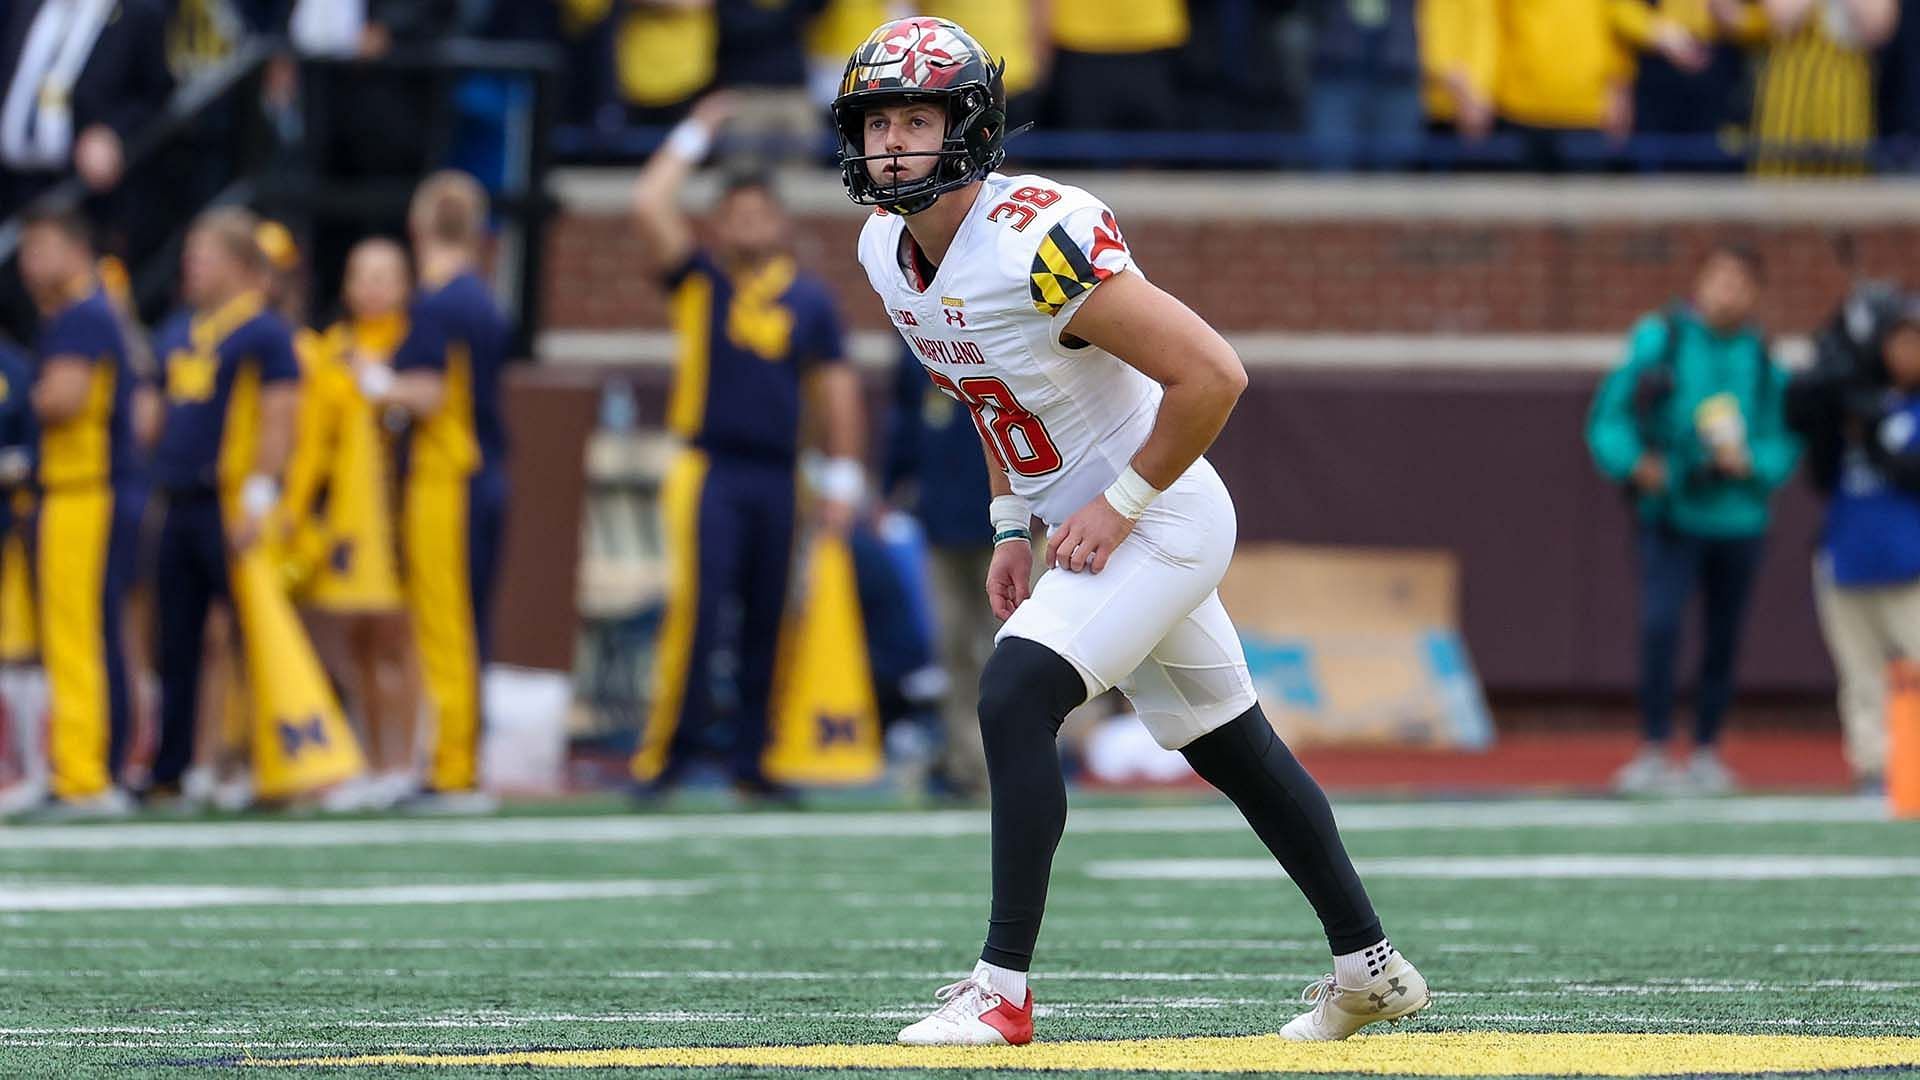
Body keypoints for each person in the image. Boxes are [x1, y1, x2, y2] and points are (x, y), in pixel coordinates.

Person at [831, 16, 1426, 1046]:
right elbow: (988, 391)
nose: (892, 144)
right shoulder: (886, 250)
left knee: (1016, 692)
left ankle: (1002, 991)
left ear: (966, 126)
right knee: (1234, 747)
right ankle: (1369, 966)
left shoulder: (1036, 238)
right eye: (879, 121)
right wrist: (1010, 522)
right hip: (1076, 520)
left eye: (917, 120)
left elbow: (1212, 374)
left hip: (1163, 509)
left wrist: (1119, 505)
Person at [625, 93, 864, 801]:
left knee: (768, 615)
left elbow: (835, 392)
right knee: (698, 614)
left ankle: (752, 759)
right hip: (710, 469)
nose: (752, 223)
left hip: (780, 475)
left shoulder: (809, 300)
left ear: (784, 223)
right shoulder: (702, 281)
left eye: (763, 212)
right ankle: (671, 754)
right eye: (738, 213)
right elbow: (647, 203)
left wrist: (842, 477)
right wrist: (695, 130)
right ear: (719, 223)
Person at [1586, 244, 1801, 795]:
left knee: (1723, 638)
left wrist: (1752, 463)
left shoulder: (1764, 361)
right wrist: (1636, 465)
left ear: (1755, 293)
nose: (1726, 292)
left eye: (1738, 282)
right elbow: (1609, 419)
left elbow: (1784, 442)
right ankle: (1654, 746)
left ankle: (1707, 748)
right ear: (1699, 284)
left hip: (1739, 519)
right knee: (1660, 626)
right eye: (1717, 279)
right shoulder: (1660, 341)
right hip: (1672, 514)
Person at [356, 170, 509, 811]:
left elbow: (428, 391)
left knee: (447, 627)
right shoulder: (481, 298)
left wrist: (374, 383)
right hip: (479, 472)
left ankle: (453, 766)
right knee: (459, 625)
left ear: (420, 228)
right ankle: (454, 758)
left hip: (447, 480)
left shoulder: (438, 302)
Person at [144, 206, 301, 802]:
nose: (191, 268)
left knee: (250, 634)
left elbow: (280, 414)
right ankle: (173, 768)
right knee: (177, 640)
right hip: (179, 499)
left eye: (204, 256)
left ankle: (264, 762)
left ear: (239, 264)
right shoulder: (182, 328)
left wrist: (261, 495)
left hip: (232, 501)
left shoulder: (263, 330)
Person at [15, 204, 148, 818]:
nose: (26, 264)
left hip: (83, 492)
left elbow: (61, 400)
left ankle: (85, 771)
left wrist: (22, 394)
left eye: (39, 249)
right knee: (81, 633)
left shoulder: (81, 315)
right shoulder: (89, 312)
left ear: (74, 250)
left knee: (78, 637)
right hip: (83, 491)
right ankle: (84, 767)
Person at [278, 238, 419, 808]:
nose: (372, 288)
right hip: (348, 515)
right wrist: (295, 508)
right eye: (362, 275)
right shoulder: (331, 352)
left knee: (397, 640)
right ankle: (367, 757)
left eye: (385, 276)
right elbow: (312, 443)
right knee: (353, 642)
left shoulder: (416, 347)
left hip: (400, 510)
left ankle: (404, 760)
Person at [1791, 290, 1920, 791]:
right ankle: (1873, 765)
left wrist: (1876, 426)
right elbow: (1818, 470)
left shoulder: (1897, 412)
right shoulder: (1853, 404)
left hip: (1910, 560)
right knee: (1861, 677)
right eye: (1900, 341)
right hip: (1847, 556)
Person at [881, 340, 994, 798]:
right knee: (951, 651)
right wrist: (892, 485)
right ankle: (968, 765)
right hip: (941, 525)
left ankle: (1012, 768)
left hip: (1008, 524)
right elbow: (904, 425)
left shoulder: (1001, 322)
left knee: (1005, 652)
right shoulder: (914, 340)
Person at [1718, 0, 1900, 176]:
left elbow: (1880, 27)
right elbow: (1782, 17)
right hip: (1790, 88)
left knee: (1847, 188)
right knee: (1780, 185)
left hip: (1846, 88)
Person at [0, 332, 43, 815]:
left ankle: (23, 763)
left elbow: (32, 450)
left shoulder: (13, 365)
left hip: (9, 522)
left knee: (20, 649)